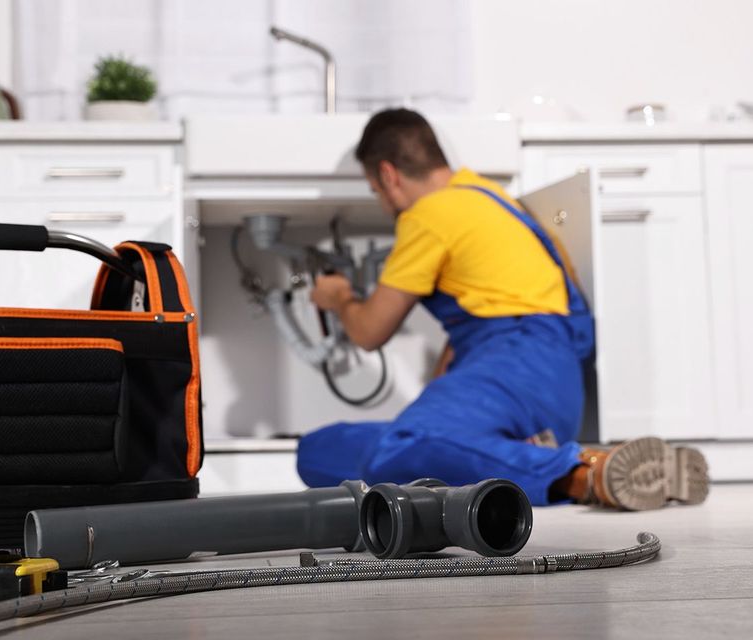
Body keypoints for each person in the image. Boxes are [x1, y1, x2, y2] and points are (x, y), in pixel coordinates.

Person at [296, 108, 709, 511]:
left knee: (404, 445)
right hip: (553, 387)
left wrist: (339, 298)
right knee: (316, 450)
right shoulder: (490, 196)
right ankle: (518, 457)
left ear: (387, 175)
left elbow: (370, 332)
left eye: (375, 191)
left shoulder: (428, 214)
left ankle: (586, 473)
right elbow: (472, 327)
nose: (383, 203)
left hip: (516, 365)